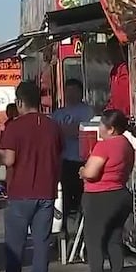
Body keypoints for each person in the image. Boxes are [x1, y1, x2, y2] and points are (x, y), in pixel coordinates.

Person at [0, 82, 62, 272]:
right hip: (46, 189)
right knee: (41, 241)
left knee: (15, 242)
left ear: (20, 102)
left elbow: (10, 159)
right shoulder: (53, 125)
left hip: (19, 192)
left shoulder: (14, 127)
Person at [77, 109, 135, 272]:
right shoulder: (126, 144)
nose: (99, 128)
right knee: (114, 240)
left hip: (100, 196)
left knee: (94, 241)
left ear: (110, 129)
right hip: (120, 194)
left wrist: (82, 171)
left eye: (102, 124)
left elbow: (92, 172)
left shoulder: (104, 146)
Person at [52, 79, 94, 228]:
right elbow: (54, 135)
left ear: (80, 93)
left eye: (74, 91)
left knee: (83, 198)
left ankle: (82, 228)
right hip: (65, 162)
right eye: (68, 91)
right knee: (65, 199)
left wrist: (67, 130)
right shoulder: (58, 113)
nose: (71, 95)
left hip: (83, 161)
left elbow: (83, 132)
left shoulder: (88, 111)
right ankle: (63, 233)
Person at [104, 37, 130, 116]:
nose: (110, 54)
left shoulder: (126, 69)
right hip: (116, 117)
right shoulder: (114, 71)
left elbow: (124, 98)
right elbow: (113, 98)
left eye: (112, 50)